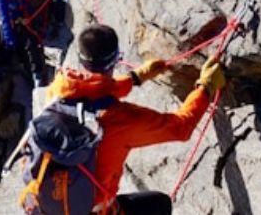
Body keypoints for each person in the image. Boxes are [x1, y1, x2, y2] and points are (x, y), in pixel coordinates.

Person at [24, 24, 225, 214]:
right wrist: (205, 87)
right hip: (98, 210)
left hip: (52, 205)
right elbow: (182, 127)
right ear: (114, 60)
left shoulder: (57, 92)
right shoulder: (120, 120)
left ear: (81, 59)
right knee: (159, 205)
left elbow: (92, 92)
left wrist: (136, 78)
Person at [0, 0, 68, 88]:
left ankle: (38, 75)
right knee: (8, 46)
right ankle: (7, 68)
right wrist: (8, 37)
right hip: (10, 21)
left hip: (25, 19)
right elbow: (3, 13)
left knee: (32, 45)